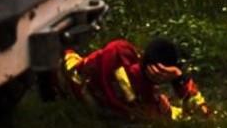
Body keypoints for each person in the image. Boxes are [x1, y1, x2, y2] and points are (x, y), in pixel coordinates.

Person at [60, 37, 210, 120]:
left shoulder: (118, 51)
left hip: (73, 77)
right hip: (87, 100)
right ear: (162, 73)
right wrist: (179, 78)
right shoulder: (149, 107)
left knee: (68, 56)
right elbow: (201, 115)